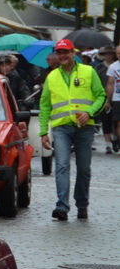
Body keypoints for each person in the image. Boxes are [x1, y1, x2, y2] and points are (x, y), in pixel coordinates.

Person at [39, 38, 106, 221]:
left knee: (84, 169)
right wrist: (43, 132)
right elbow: (45, 105)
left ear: (73, 53)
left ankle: (82, 205)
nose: (62, 56)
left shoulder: (88, 71)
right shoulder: (52, 76)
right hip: (61, 127)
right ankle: (62, 206)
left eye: (65, 52)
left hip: (84, 127)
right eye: (59, 53)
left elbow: (101, 96)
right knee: (62, 166)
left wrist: (89, 112)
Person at [104, 48, 120, 154]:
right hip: (117, 99)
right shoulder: (113, 67)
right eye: (118, 53)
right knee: (118, 123)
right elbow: (110, 84)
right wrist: (108, 100)